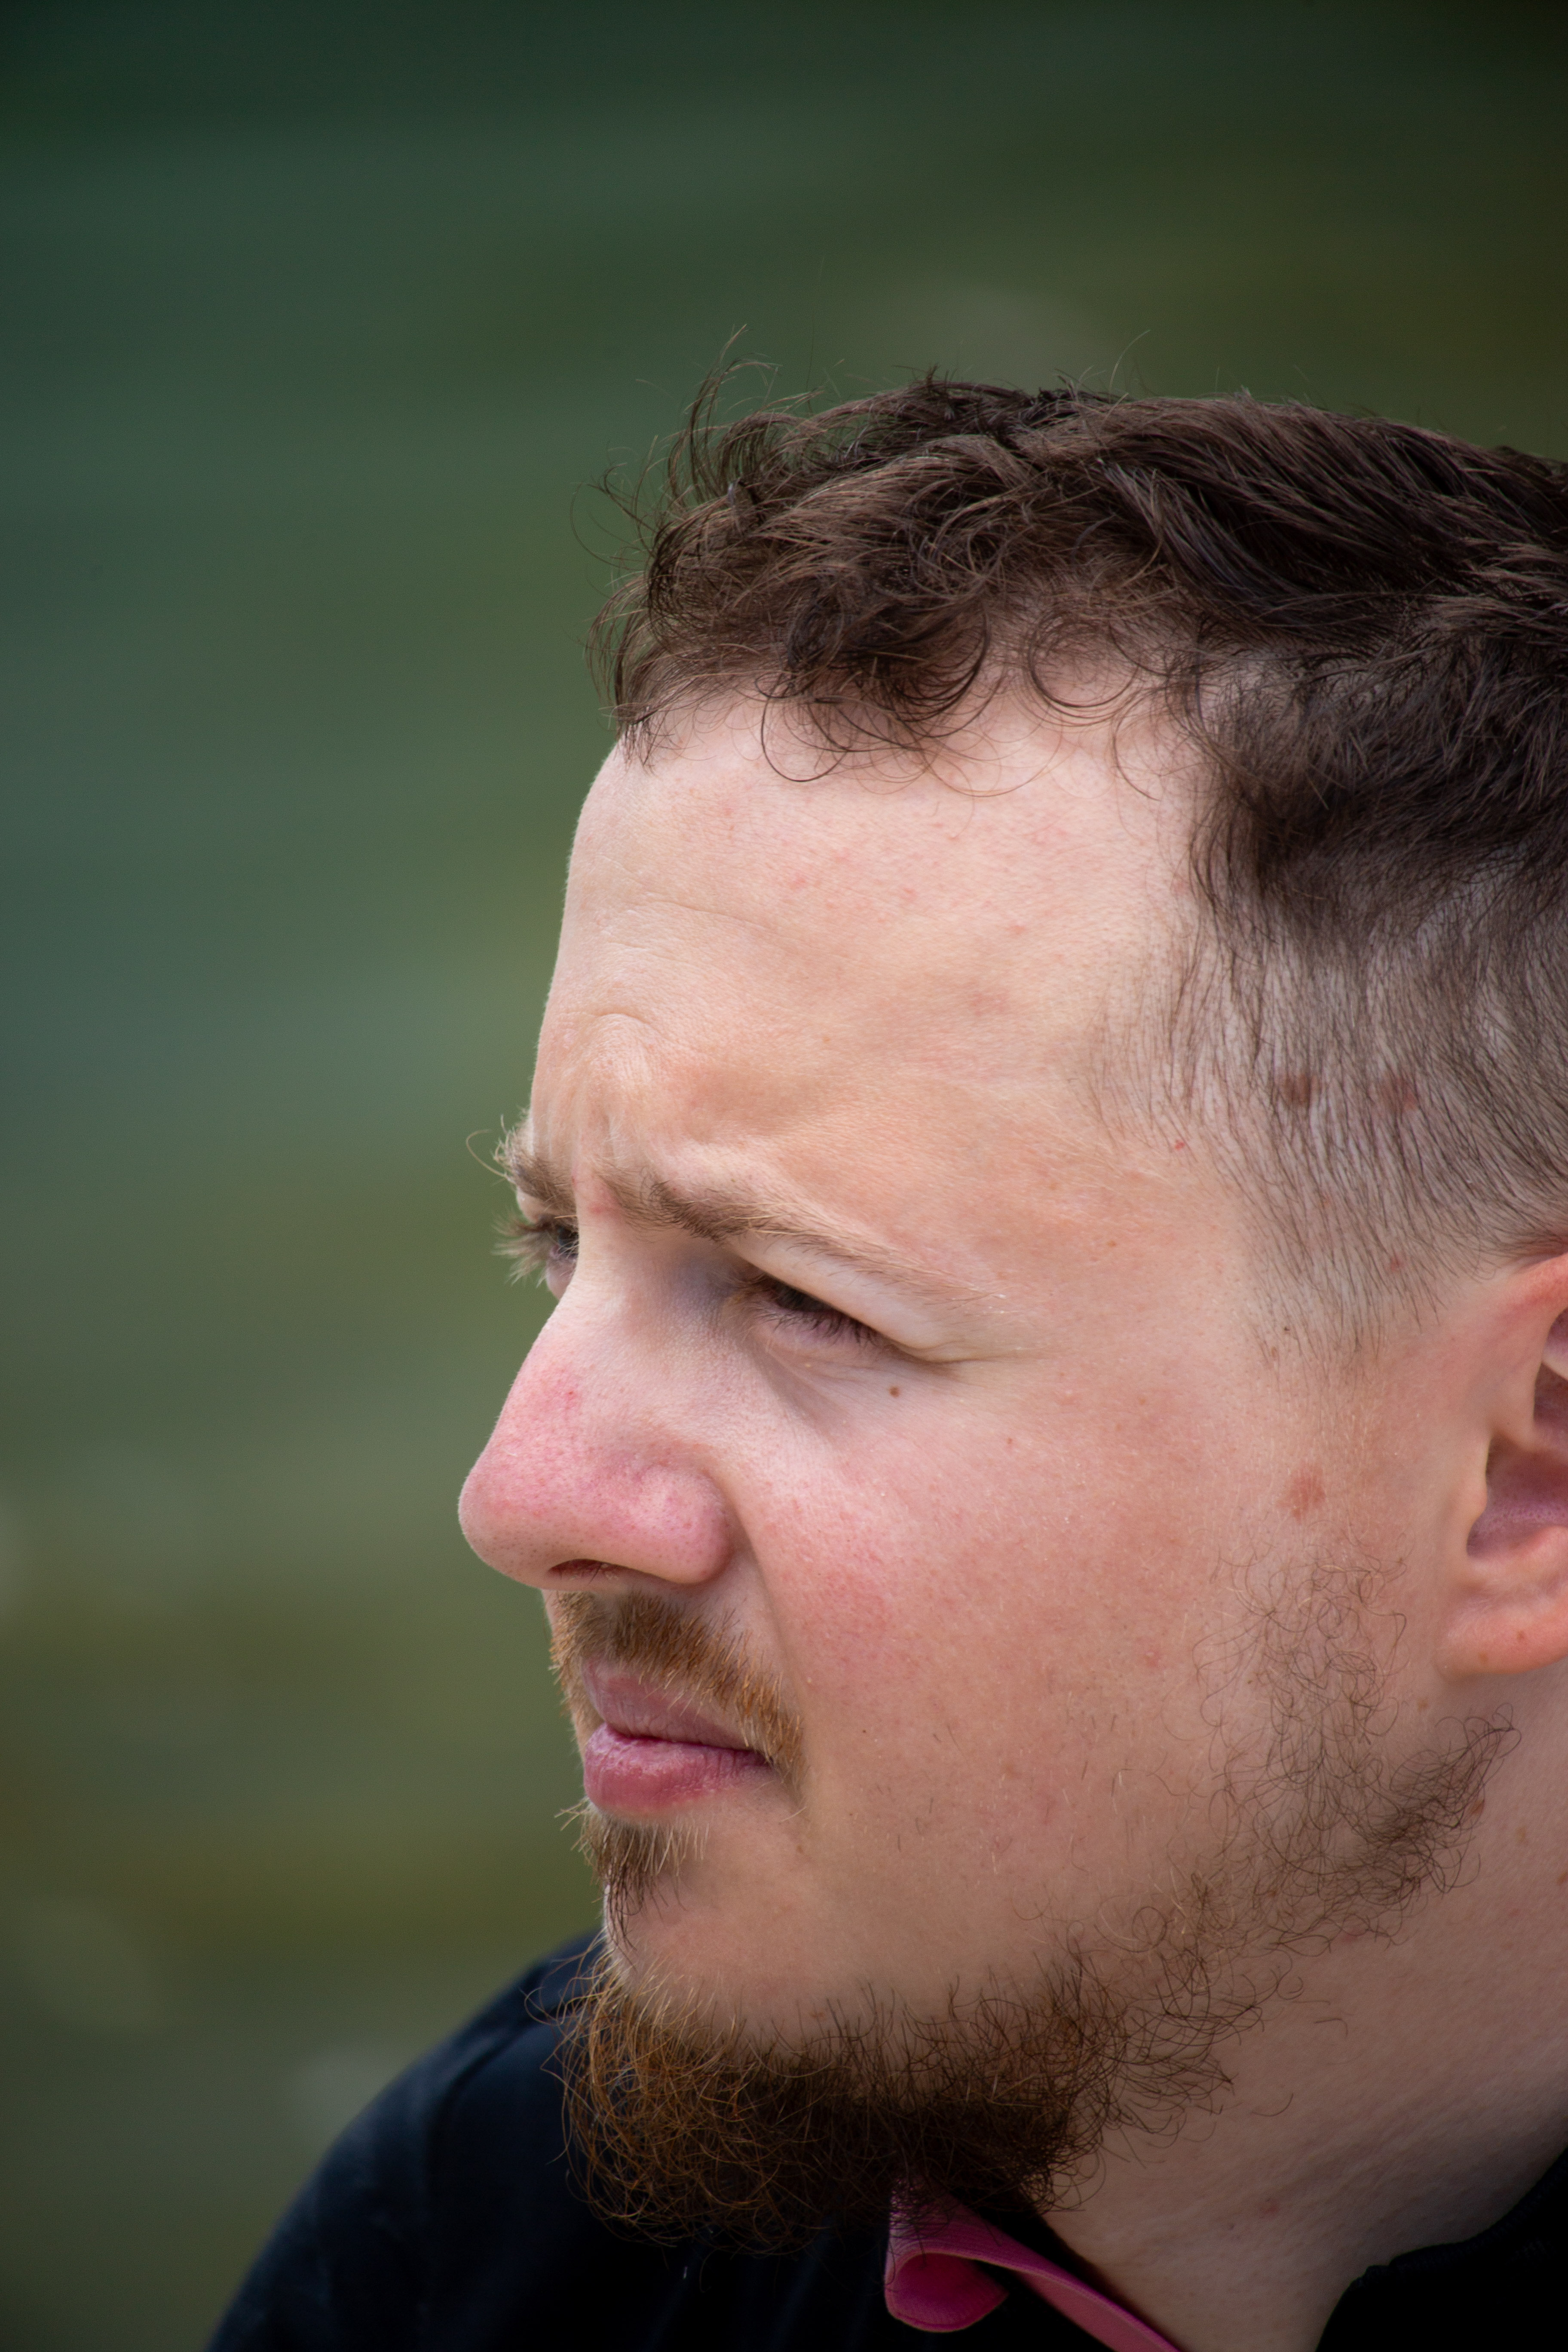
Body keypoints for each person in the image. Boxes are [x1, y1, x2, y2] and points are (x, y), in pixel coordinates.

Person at [208, 379, 1568, 2351]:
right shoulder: (496, 2243)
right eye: (561, 1245)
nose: (520, 1501)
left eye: (803, 1301)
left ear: (1526, 1464)